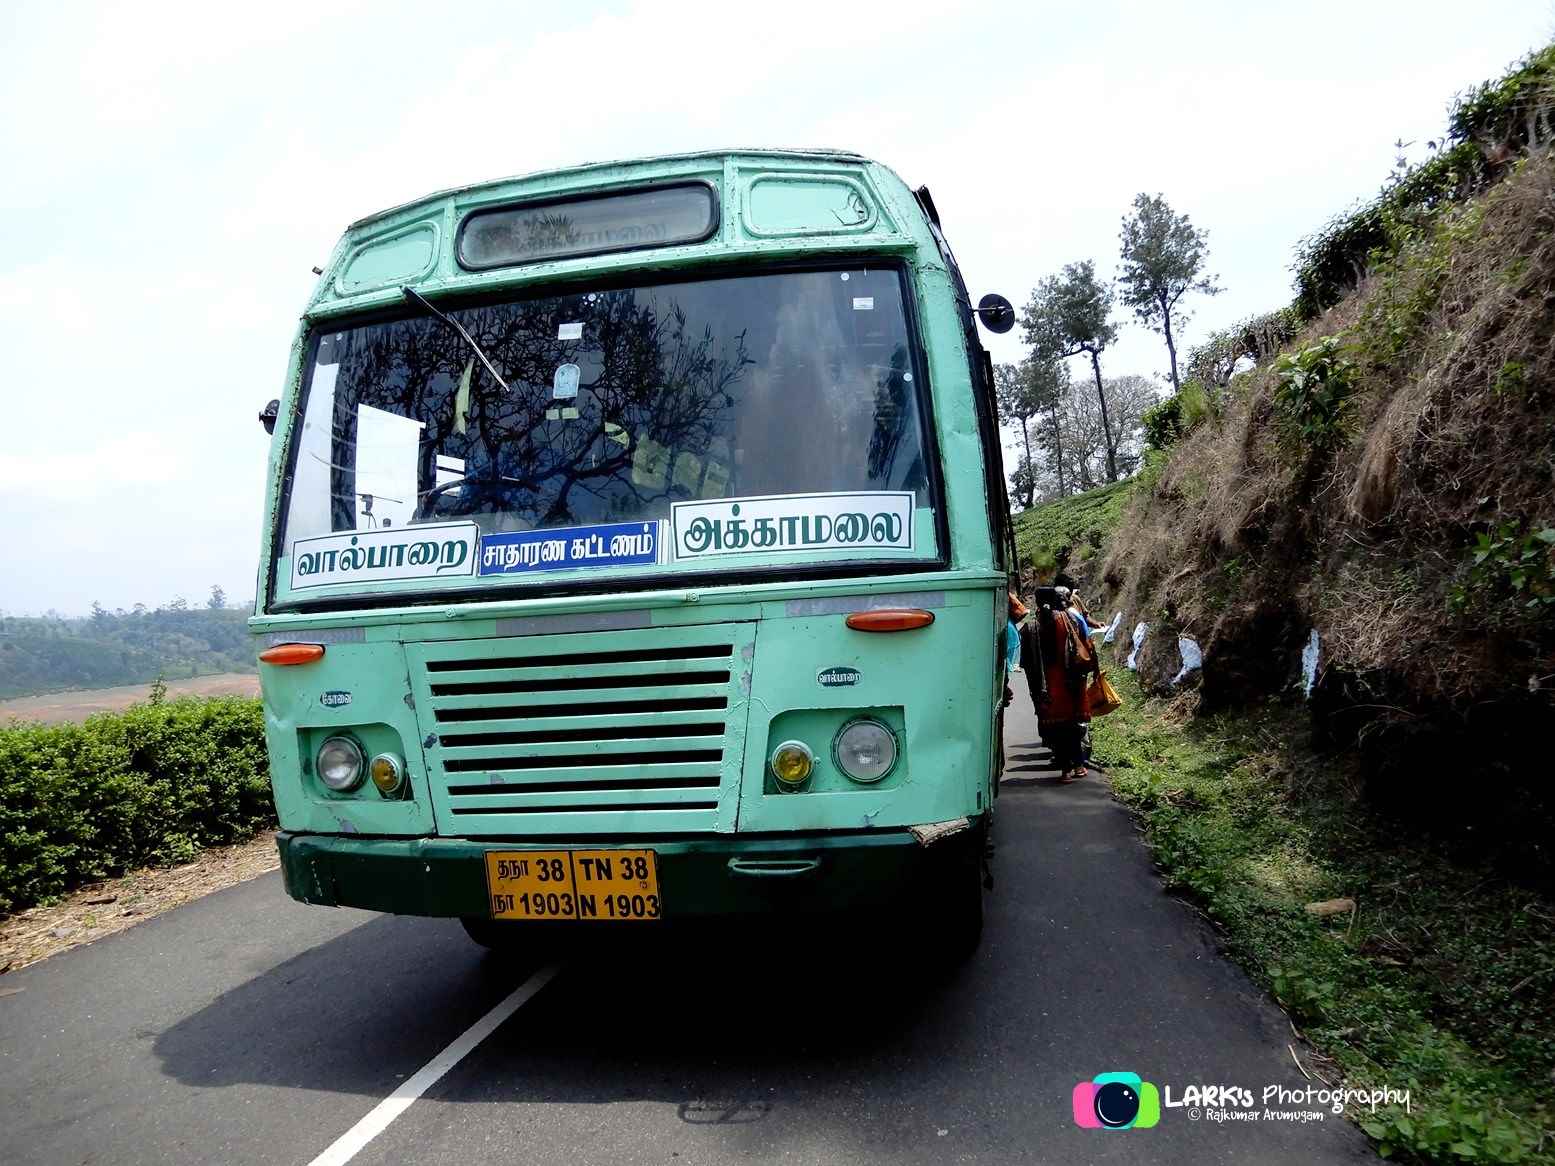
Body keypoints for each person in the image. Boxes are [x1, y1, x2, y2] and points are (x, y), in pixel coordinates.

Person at [1020, 586, 1098, 783]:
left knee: (1058, 730)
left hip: (1048, 687)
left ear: (1037, 603)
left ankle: (1065, 771)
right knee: (1073, 726)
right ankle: (1079, 765)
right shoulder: (1070, 620)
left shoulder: (1032, 628)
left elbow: (1025, 662)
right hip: (1072, 683)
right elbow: (1087, 646)